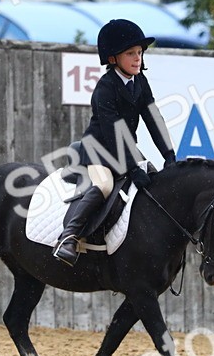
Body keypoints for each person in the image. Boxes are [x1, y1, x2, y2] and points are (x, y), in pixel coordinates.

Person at [53, 19, 177, 265]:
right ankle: (68, 237)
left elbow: (153, 118)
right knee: (105, 186)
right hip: (99, 149)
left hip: (125, 147)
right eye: (130, 53)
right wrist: (132, 167)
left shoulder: (140, 82)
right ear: (112, 59)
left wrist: (169, 155)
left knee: (154, 182)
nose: (137, 58)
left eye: (140, 53)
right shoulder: (105, 88)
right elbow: (113, 132)